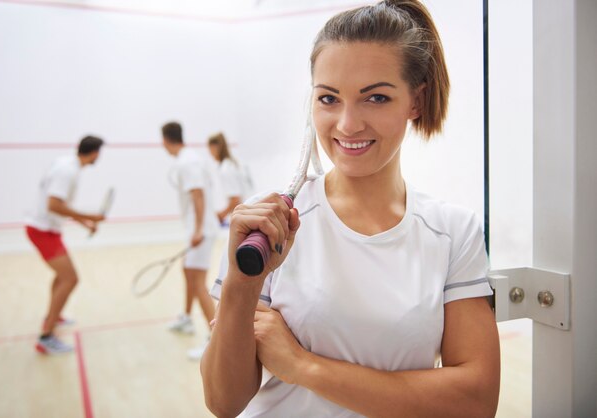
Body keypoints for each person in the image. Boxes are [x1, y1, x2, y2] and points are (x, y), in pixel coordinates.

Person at [201, 1, 500, 417]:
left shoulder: (454, 232)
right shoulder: (265, 223)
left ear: (416, 101)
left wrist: (302, 365)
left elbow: (475, 400)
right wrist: (241, 283)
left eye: (375, 97)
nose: (347, 124)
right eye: (329, 98)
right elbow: (223, 401)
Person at [26, 135, 106, 355]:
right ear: (94, 153)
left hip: (48, 230)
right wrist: (89, 215)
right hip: (43, 231)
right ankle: (46, 337)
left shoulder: (65, 164)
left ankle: (53, 317)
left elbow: (60, 206)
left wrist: (85, 223)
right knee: (71, 278)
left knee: (63, 277)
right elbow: (53, 205)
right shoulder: (68, 172)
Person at [162, 122, 218, 359]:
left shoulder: (188, 162)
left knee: (198, 283)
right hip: (197, 228)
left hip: (201, 230)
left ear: (165, 139)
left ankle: (215, 341)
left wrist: (197, 230)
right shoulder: (188, 159)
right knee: (188, 272)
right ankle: (186, 319)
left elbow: (198, 194)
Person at [207, 132, 253, 224]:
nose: (209, 153)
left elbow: (235, 199)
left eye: (209, 149)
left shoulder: (226, 169)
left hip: (242, 218)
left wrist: (220, 215)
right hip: (246, 215)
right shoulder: (232, 164)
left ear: (215, 147)